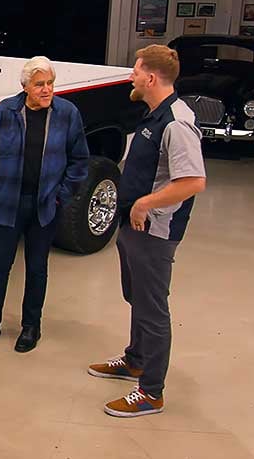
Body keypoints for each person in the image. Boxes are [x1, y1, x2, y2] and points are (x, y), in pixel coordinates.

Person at [87, 44, 206, 417]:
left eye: (136, 71)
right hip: (134, 227)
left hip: (154, 231)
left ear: (151, 78)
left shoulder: (176, 123)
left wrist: (144, 204)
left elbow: (193, 182)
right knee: (137, 298)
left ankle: (151, 391)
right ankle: (135, 359)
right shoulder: (154, 115)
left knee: (153, 310)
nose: (131, 76)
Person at [0, 56, 89, 352]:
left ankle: (31, 326)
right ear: (25, 86)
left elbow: (79, 162)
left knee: (37, 268)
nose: (46, 89)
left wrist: (60, 196)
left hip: (45, 207)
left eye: (50, 83)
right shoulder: (5, 112)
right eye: (40, 84)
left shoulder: (67, 114)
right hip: (8, 204)